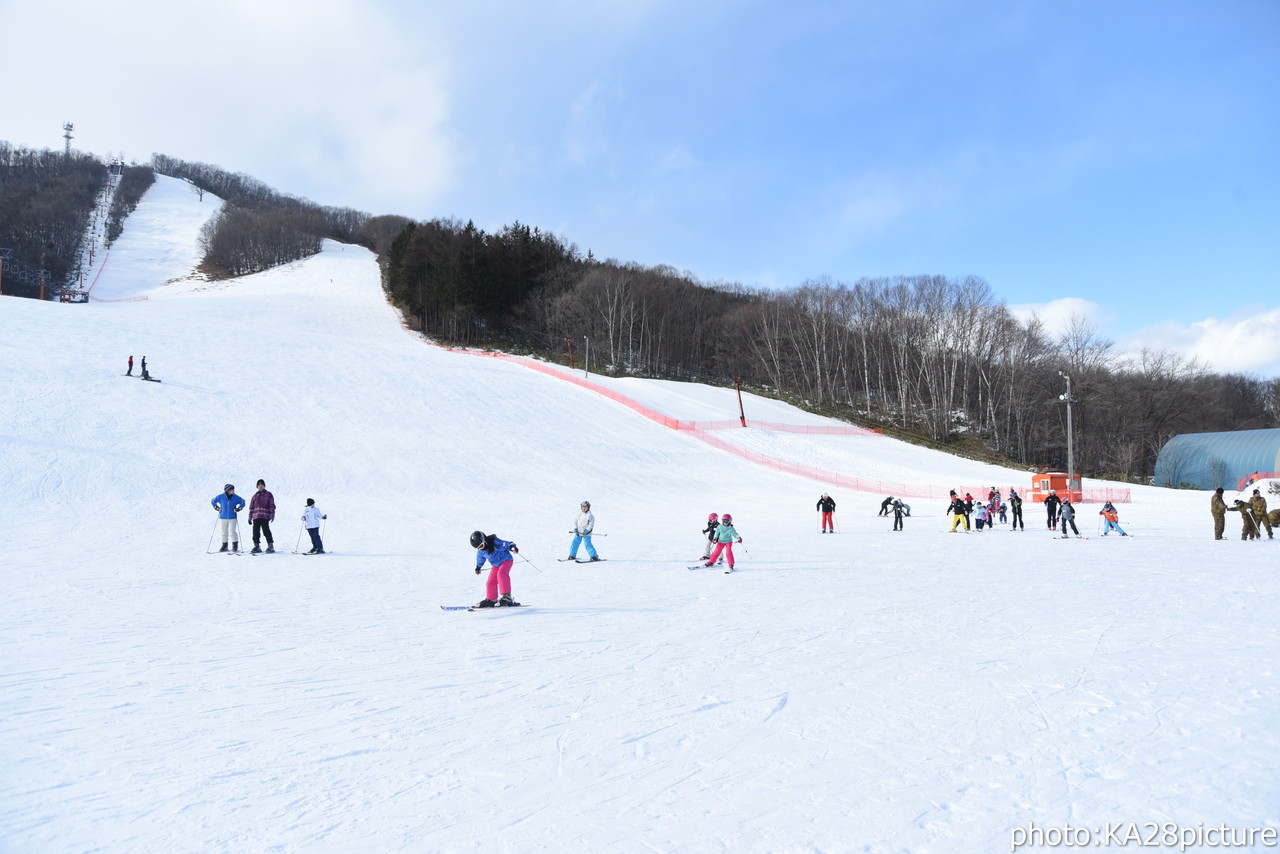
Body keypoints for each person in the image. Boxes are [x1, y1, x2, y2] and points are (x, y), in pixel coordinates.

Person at [471, 530, 520, 607]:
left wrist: (512, 547)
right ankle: (491, 599)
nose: (481, 548)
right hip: (496, 565)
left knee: (501, 574)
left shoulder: (495, 542)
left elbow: (506, 544)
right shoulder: (481, 551)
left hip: (506, 560)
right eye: (478, 548)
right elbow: (480, 559)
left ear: (485, 540)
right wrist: (478, 567)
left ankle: (507, 597)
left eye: (481, 546)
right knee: (490, 582)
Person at [211, 483, 245, 552]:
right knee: (224, 532)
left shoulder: (235, 497)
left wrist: (239, 508)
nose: (233, 491)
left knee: (232, 531)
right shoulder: (221, 496)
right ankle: (224, 546)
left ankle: (235, 546)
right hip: (222, 517)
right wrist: (216, 507)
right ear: (227, 490)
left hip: (232, 517)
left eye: (233, 490)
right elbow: (213, 501)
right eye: (232, 490)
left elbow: (243, 501)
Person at [249, 479, 276, 553]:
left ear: (264, 486)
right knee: (255, 532)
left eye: (262, 485)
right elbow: (251, 507)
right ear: (257, 486)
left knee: (266, 531)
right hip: (256, 516)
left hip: (265, 516)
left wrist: (272, 514)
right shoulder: (254, 496)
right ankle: (256, 546)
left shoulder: (268, 494)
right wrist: (250, 517)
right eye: (259, 485)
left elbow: (272, 505)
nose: (260, 486)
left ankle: (270, 546)